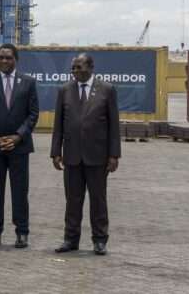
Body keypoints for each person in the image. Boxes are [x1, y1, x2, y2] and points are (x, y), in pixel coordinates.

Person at [51, 52, 121, 256]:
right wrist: (56, 152)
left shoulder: (107, 90)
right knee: (73, 200)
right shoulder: (64, 90)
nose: (75, 71)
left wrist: (114, 155)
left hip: (98, 156)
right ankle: (70, 239)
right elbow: (58, 125)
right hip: (72, 156)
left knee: (98, 200)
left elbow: (113, 125)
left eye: (79, 67)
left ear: (91, 68)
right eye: (73, 68)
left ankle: (100, 240)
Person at [0, 43, 39, 248]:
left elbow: (33, 114)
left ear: (16, 60)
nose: (3, 61)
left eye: (8, 58)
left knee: (20, 191)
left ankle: (22, 232)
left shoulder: (28, 83)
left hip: (19, 147)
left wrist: (18, 136)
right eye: (0, 57)